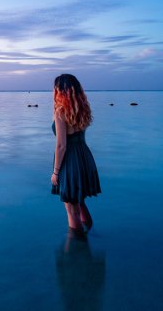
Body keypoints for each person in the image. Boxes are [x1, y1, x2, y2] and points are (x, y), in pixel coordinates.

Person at [51, 74, 101, 235]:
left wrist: (55, 172)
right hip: (85, 158)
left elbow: (61, 145)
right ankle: (90, 231)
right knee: (79, 200)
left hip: (70, 161)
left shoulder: (61, 112)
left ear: (60, 91)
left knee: (70, 209)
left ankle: (77, 248)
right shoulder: (84, 108)